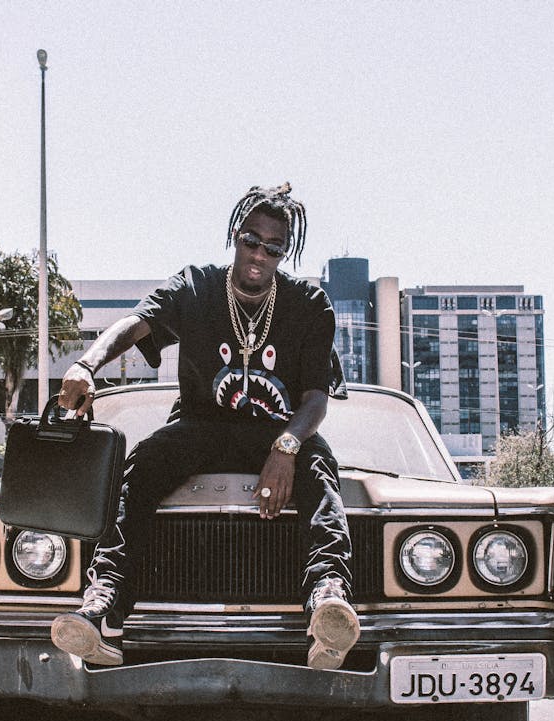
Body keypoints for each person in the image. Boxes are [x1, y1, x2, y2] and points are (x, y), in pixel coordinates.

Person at [51, 183, 359, 670]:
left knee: (318, 465)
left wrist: (284, 448)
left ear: (286, 252)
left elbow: (315, 399)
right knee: (143, 466)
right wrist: (86, 365)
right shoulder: (195, 287)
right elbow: (136, 323)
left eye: (273, 247)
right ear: (236, 236)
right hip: (201, 426)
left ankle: (327, 603)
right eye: (251, 240)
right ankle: (104, 604)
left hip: (276, 431)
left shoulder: (308, 305)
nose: (260, 253)